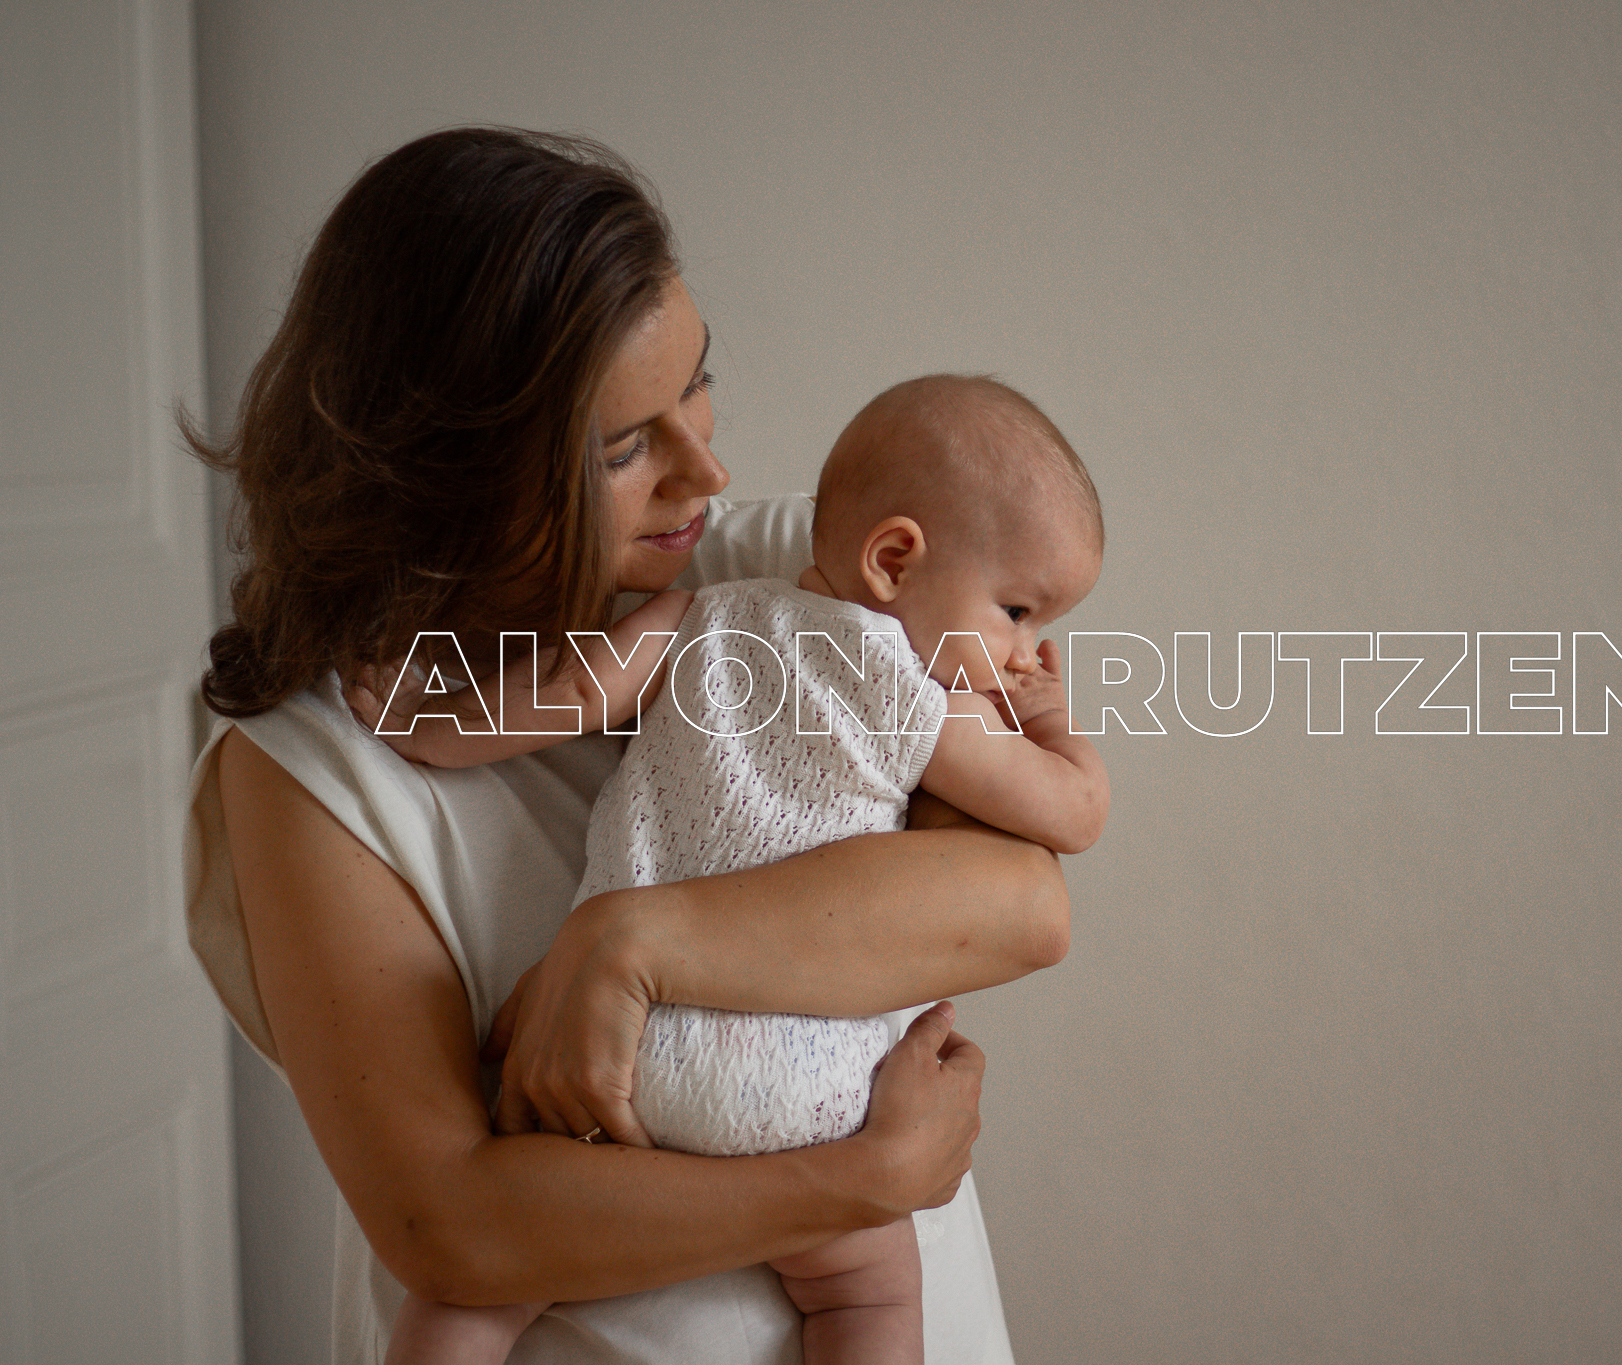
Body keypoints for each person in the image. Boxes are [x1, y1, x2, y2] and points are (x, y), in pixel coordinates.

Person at [182, 127, 1070, 1365]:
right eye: (622, 447)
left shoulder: (792, 575)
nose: (705, 469)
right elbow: (454, 1228)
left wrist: (630, 944)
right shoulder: (311, 769)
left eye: (697, 382)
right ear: (452, 473)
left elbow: (1022, 907)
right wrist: (861, 1181)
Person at [368, 374, 1110, 1365]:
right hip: (806, 1106)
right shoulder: (924, 702)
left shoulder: (698, 617)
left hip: (612, 1064)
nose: (1024, 651)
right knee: (871, 1297)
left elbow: (563, 697)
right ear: (893, 559)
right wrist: (1052, 724)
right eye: (1017, 612)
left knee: (470, 1306)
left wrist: (417, 723)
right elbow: (1072, 814)